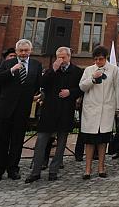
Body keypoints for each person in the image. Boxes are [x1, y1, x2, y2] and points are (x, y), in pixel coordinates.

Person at [25, 47, 83, 182]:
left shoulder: (77, 71)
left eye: (64, 57)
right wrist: (52, 70)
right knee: (41, 141)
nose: (61, 60)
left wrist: (71, 92)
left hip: (65, 110)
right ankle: (36, 171)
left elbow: (81, 89)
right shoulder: (51, 71)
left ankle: (54, 170)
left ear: (69, 57)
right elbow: (42, 84)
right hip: (49, 111)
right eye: (59, 57)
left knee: (61, 142)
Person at [0, 39, 42, 182]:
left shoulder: (36, 65)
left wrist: (37, 95)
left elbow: (38, 84)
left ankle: (13, 169)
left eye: (26, 50)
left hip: (23, 109)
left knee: (17, 141)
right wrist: (11, 71)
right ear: (17, 51)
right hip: (5, 109)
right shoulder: (7, 64)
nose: (24, 53)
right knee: (2, 140)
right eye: (21, 51)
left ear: (30, 51)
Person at [78, 45, 119, 179]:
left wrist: (117, 107)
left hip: (106, 109)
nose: (98, 62)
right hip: (91, 109)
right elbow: (82, 86)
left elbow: (117, 88)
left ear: (106, 58)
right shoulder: (89, 70)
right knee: (90, 141)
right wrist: (92, 78)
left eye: (100, 59)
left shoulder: (113, 70)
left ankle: (101, 167)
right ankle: (88, 168)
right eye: (96, 59)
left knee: (103, 140)